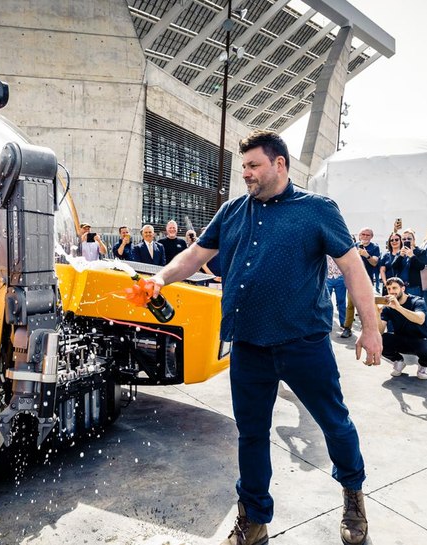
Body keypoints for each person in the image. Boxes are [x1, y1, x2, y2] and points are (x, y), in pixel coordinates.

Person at [147, 130, 381, 545]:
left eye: (254, 166)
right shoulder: (233, 211)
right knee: (251, 435)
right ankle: (254, 521)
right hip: (249, 346)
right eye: (244, 168)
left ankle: (352, 493)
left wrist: (370, 326)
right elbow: (196, 256)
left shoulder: (317, 210)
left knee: (334, 424)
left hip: (303, 344)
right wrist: (161, 277)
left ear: (280, 164)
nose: (247, 175)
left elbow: (352, 268)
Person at [379, 277, 427, 379]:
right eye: (389, 289)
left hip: (419, 340)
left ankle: (423, 365)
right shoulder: (388, 307)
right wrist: (376, 313)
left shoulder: (417, 301)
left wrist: (398, 308)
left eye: (394, 288)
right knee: (380, 340)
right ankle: (398, 361)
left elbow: (420, 319)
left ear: (403, 289)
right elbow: (380, 331)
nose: (391, 292)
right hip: (400, 339)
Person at [340, 227, 381, 338]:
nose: (365, 237)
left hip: (366, 282)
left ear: (371, 237)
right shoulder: (353, 246)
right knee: (350, 306)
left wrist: (366, 255)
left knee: (367, 306)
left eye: (367, 235)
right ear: (359, 235)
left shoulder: (375, 247)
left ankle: (367, 330)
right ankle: (347, 328)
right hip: (353, 281)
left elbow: (374, 263)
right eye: (363, 234)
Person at [327, 255, 348, 330]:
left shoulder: (340, 247)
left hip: (340, 277)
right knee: (326, 303)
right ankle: (327, 323)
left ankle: (343, 323)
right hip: (327, 278)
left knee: (341, 301)